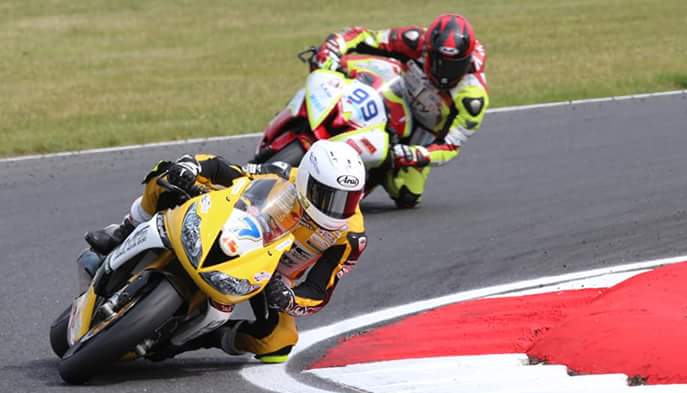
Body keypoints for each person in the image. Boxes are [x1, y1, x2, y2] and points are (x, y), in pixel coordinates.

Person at [85, 140, 367, 363]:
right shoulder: (283, 174)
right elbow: (227, 170)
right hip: (238, 230)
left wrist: (288, 298)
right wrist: (192, 166)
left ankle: (199, 338)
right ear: (306, 180)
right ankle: (127, 229)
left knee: (279, 342)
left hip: (271, 276)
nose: (338, 209)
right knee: (167, 173)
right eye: (329, 197)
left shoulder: (351, 237)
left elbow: (319, 291)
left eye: (349, 199)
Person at [312, 13, 489, 208]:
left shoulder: (473, 98)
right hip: (391, 90)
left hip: (424, 130)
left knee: (407, 194)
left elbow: (450, 147)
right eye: (439, 61)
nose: (445, 72)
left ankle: (368, 174)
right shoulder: (415, 40)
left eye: (453, 66)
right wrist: (334, 46)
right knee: (328, 64)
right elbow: (365, 36)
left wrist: (419, 154)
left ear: (467, 60)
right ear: (428, 50)